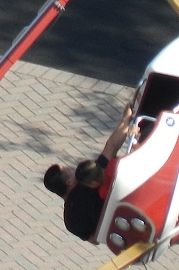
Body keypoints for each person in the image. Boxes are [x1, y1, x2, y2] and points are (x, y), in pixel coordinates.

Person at [43, 104, 139, 242]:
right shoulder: (89, 179)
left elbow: (95, 240)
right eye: (69, 170)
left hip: (127, 234)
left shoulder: (70, 222)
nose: (72, 168)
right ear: (69, 182)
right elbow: (111, 146)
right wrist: (126, 119)